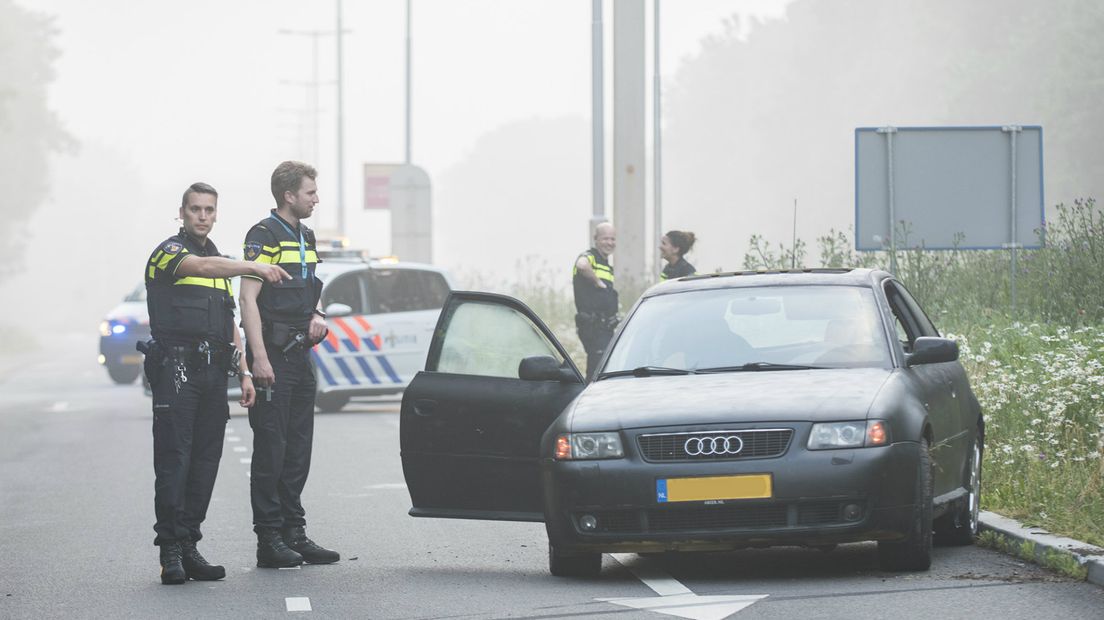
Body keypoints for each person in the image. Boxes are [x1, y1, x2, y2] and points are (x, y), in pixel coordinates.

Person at [143, 182, 291, 585]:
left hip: (212, 373)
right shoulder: (169, 253)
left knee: (206, 461)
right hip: (177, 370)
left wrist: (243, 370)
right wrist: (254, 266)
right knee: (176, 460)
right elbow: (205, 268)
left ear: (215, 213)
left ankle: (190, 544)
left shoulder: (219, 262)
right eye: (195, 209)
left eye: (209, 209)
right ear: (182, 212)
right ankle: (170, 550)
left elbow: (229, 322)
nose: (202, 216)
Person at [239, 161, 339, 568]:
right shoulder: (262, 235)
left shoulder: (307, 234)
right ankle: (269, 540)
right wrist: (258, 358)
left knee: (298, 447)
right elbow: (248, 299)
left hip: (301, 355)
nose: (316, 198)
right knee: (271, 448)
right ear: (289, 196)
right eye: (311, 192)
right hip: (273, 356)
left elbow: (312, 290)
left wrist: (319, 316)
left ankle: (293, 532)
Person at [573, 222, 619, 379]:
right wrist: (597, 282)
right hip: (593, 326)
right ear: (596, 239)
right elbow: (581, 265)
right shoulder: (590, 256)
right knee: (596, 371)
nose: (610, 243)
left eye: (613, 239)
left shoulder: (606, 265)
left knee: (603, 368)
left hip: (604, 327)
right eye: (605, 239)